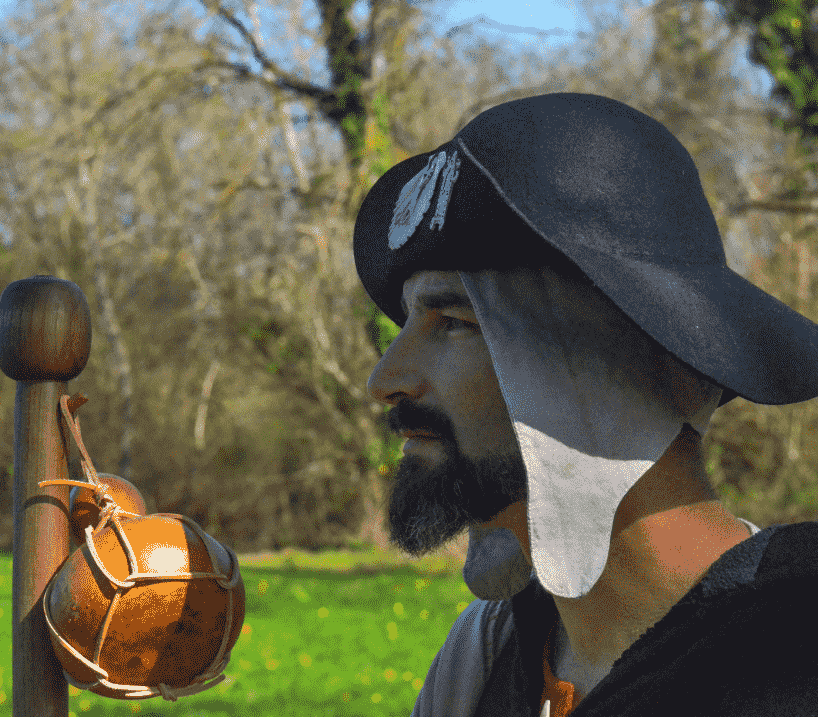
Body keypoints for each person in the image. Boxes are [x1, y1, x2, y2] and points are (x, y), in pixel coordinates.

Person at [351, 93, 818, 716]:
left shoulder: (793, 654)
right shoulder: (484, 662)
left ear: (611, 367)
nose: (385, 379)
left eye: (455, 322)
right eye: (410, 321)